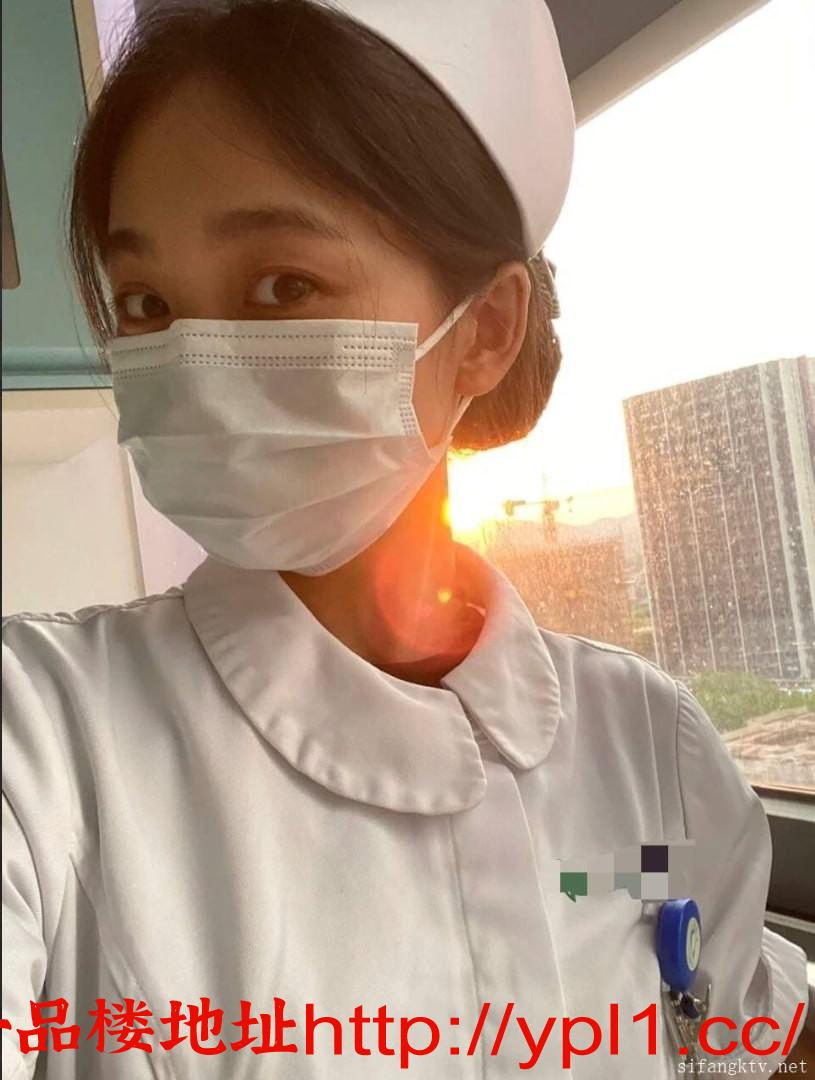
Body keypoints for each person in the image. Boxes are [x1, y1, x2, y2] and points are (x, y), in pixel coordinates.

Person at [1, 1, 809, 1077]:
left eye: (281, 286)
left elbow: (738, 1027)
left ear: (484, 330)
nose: (194, 362)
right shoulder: (40, 740)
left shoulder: (646, 743)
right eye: (146, 303)